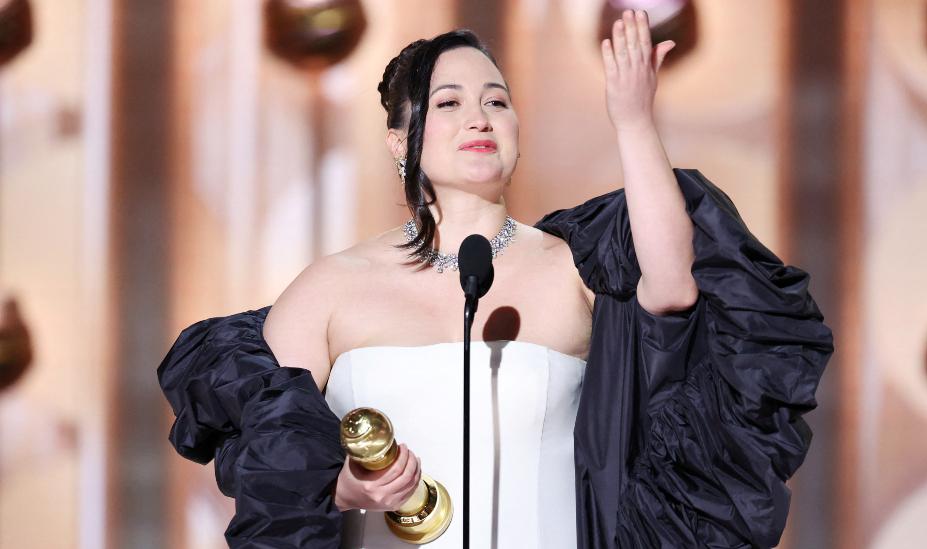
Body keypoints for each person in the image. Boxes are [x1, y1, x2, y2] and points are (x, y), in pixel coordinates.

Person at [158, 9, 834, 549]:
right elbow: (266, 464)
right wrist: (346, 488)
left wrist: (632, 119)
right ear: (401, 139)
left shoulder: (569, 265)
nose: (479, 117)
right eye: (448, 102)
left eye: (497, 101)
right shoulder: (330, 288)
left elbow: (674, 285)